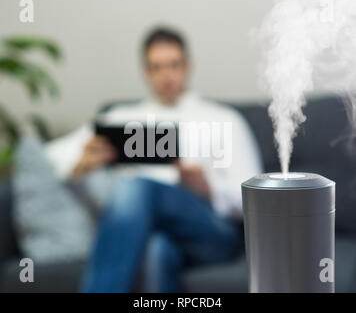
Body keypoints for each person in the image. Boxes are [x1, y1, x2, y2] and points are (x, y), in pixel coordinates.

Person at [46, 27, 262, 292]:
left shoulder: (222, 120)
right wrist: (82, 163)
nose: (166, 75)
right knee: (156, 250)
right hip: (149, 233)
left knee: (135, 187)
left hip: (210, 231)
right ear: (145, 72)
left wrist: (209, 189)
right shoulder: (121, 118)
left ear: (187, 66)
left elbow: (255, 197)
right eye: (156, 67)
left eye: (174, 65)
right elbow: (51, 157)